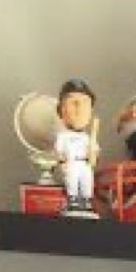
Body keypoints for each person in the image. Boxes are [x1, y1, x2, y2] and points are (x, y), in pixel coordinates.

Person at [55, 79, 98, 217]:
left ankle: (86, 202)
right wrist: (62, 163)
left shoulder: (87, 137)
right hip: (72, 162)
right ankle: (73, 201)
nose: (79, 107)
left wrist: (93, 156)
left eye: (85, 103)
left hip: (84, 163)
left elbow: (94, 158)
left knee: (87, 182)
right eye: (73, 102)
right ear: (61, 110)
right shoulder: (63, 136)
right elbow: (60, 152)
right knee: (72, 182)